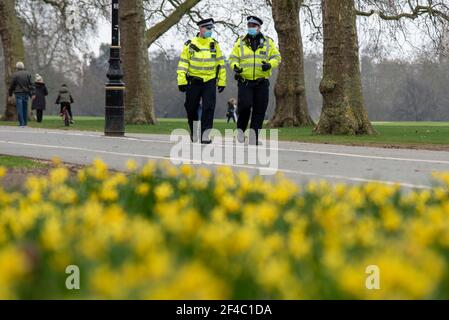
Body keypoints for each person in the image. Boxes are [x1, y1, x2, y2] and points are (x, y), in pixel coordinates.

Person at [229, 16, 282, 145]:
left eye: (253, 26)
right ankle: (240, 133)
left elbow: (277, 57)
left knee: (260, 110)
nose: (251, 28)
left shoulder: (268, 42)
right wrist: (235, 66)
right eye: (249, 26)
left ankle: (253, 138)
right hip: (245, 82)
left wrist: (270, 64)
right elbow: (233, 58)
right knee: (245, 107)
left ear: (259, 27)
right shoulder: (240, 41)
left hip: (261, 82)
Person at [177, 18, 227, 144]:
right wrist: (181, 80)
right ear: (200, 29)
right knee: (191, 108)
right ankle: (194, 132)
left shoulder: (215, 45)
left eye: (211, 29)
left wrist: (222, 81)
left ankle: (205, 135)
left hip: (209, 81)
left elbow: (220, 64)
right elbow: (183, 63)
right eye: (208, 28)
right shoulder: (190, 44)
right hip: (194, 81)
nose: (210, 31)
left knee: (208, 108)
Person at [8, 62, 35, 128]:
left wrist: (10, 94)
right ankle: (25, 123)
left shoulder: (15, 75)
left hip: (18, 93)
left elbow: (12, 85)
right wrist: (33, 93)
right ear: (23, 67)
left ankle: (21, 123)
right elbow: (31, 85)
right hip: (26, 93)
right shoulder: (28, 74)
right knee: (25, 108)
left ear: (17, 67)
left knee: (20, 109)